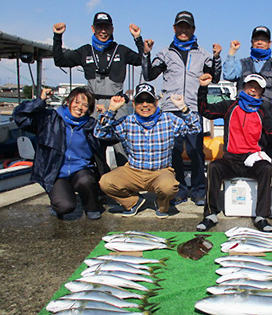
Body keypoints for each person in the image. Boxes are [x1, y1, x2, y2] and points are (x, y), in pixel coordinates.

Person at [141, 10, 222, 206]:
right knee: (174, 152)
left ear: (193, 29)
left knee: (196, 151)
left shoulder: (203, 53)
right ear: (174, 28)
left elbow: (216, 77)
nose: (183, 30)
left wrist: (217, 57)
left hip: (193, 108)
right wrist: (145, 53)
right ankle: (178, 190)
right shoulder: (164, 53)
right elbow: (149, 74)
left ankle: (199, 191)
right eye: (180, 26)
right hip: (170, 109)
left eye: (187, 26)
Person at [94, 83, 201, 218]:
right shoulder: (127, 121)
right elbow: (99, 133)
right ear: (134, 104)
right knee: (105, 182)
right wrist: (111, 110)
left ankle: (161, 204)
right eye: (140, 101)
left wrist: (183, 108)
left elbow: (195, 128)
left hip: (160, 171)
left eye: (149, 100)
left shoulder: (169, 119)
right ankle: (132, 202)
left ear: (156, 102)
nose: (145, 104)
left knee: (169, 187)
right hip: (133, 170)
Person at [53, 12, 144, 165]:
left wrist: (138, 39)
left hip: (117, 103)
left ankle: (128, 184)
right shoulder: (85, 51)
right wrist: (57, 36)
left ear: (112, 29)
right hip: (93, 104)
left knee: (122, 145)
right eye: (99, 27)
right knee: (93, 144)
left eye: (106, 27)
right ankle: (98, 183)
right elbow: (60, 60)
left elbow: (143, 60)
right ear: (93, 28)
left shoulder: (121, 50)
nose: (103, 31)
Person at [13, 87, 110, 220]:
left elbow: (111, 138)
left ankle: (92, 207)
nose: (79, 107)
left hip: (81, 170)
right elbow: (20, 117)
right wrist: (40, 101)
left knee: (86, 180)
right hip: (56, 172)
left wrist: (106, 117)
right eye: (76, 102)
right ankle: (59, 200)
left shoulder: (91, 125)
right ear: (68, 102)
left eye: (85, 105)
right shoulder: (49, 118)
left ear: (89, 109)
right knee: (65, 207)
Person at [196, 73, 272, 232]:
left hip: (253, 160)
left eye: (257, 88)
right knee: (214, 167)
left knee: (267, 168)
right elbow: (205, 110)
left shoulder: (264, 112)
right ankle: (210, 214)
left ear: (261, 92)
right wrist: (203, 89)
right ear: (243, 87)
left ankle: (261, 216)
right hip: (231, 159)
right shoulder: (230, 106)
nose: (253, 90)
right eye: (249, 86)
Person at [223, 26, 272, 111]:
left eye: (264, 40)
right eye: (257, 39)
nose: (260, 42)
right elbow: (228, 75)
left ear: (269, 43)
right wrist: (232, 51)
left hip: (268, 114)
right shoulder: (242, 63)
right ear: (251, 42)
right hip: (243, 112)